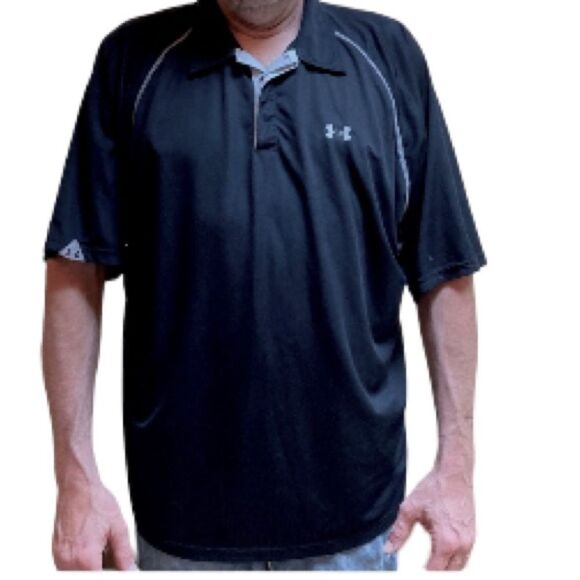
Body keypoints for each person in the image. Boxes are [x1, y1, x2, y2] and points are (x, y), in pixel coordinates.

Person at [41, 0, 487, 571]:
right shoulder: (132, 61)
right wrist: (75, 476)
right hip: (182, 524)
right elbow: (76, 264)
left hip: (355, 526)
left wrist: (457, 468)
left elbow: (443, 268)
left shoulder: (388, 58)